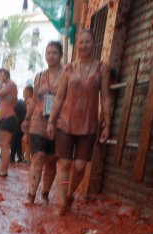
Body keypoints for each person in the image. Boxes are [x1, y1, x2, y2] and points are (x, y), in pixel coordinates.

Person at [47, 29, 111, 216]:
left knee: (80, 167)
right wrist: (51, 121)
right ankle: (61, 203)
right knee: (64, 165)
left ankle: (69, 193)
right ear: (77, 45)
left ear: (94, 43)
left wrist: (107, 123)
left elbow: (106, 98)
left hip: (89, 125)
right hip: (65, 123)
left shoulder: (102, 69)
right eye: (80, 42)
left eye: (87, 42)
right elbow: (59, 97)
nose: (83, 45)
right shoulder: (68, 69)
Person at [23, 41, 63, 205]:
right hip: (38, 122)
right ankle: (31, 194)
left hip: (58, 123)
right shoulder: (39, 76)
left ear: (60, 55)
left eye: (54, 53)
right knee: (37, 156)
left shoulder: (66, 75)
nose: (51, 56)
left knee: (51, 160)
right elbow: (33, 100)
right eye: (48, 53)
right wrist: (26, 118)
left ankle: (45, 193)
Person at [0, 68, 18, 178]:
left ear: (5, 75)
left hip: (9, 118)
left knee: (5, 146)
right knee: (3, 145)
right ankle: (2, 169)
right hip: (6, 119)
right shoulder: (8, 86)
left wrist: (1, 81)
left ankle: (3, 170)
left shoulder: (11, 85)